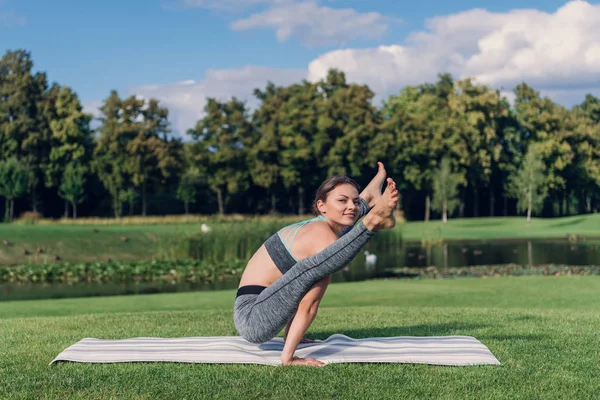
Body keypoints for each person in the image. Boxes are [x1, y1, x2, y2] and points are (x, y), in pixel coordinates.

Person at [233, 162, 399, 367]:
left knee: (325, 259)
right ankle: (373, 219)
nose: (351, 207)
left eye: (356, 202)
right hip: (253, 318)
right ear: (321, 206)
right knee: (322, 264)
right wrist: (288, 358)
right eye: (342, 200)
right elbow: (308, 305)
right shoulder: (319, 234)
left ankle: (369, 199)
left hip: (259, 308)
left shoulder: (320, 227)